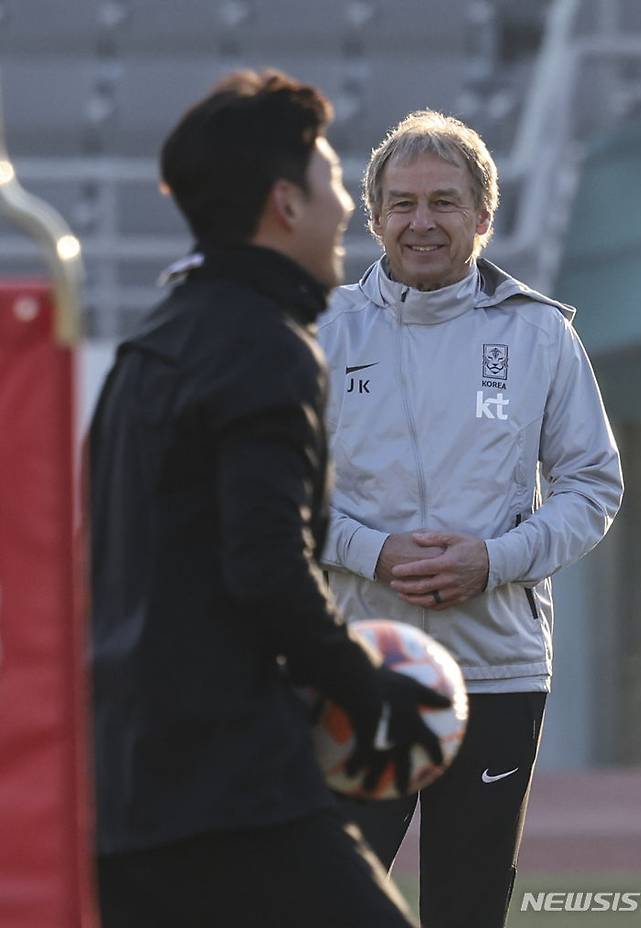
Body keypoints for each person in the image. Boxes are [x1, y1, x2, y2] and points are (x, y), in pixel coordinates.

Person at [89, 72, 450, 928]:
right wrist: (370, 693)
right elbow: (267, 568)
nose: (346, 213)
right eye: (331, 184)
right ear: (285, 204)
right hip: (235, 794)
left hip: (121, 790)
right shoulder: (265, 348)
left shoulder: (150, 343)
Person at [317, 110, 624, 928]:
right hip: (361, 663)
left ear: (483, 218)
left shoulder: (541, 333)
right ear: (374, 216)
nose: (422, 223)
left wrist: (497, 559)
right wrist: (370, 551)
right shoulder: (320, 330)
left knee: (469, 906)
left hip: (498, 671)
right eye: (404, 203)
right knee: (333, 900)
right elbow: (277, 496)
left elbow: (592, 485)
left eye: (445, 203)